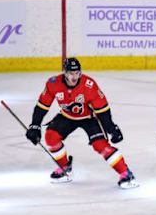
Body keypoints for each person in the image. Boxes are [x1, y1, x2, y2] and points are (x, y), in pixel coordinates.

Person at [25, 57, 138, 189]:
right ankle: (65, 168)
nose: (74, 77)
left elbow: (102, 110)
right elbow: (42, 106)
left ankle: (126, 173)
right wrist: (34, 125)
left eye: (77, 73)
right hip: (67, 116)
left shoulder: (89, 85)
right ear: (64, 73)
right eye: (70, 73)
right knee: (51, 137)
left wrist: (111, 128)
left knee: (100, 145)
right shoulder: (53, 83)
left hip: (89, 118)